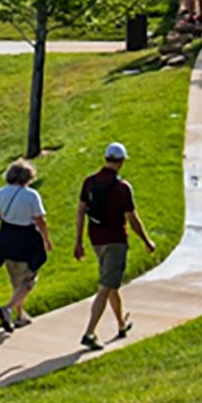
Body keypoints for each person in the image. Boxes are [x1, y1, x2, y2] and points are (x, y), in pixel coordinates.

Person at [74, 141, 157, 351]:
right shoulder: (122, 188)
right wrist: (146, 241)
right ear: (120, 162)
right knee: (105, 287)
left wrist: (78, 241)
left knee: (111, 284)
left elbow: (81, 211)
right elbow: (132, 218)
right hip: (116, 240)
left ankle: (121, 324)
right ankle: (89, 333)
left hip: (96, 239)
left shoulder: (89, 182)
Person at [0, 160, 49, 334]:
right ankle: (8, 309)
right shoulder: (31, 195)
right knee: (29, 281)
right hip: (26, 240)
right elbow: (40, 220)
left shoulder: (1, 192)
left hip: (7, 238)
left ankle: (20, 316)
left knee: (16, 279)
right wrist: (46, 239)